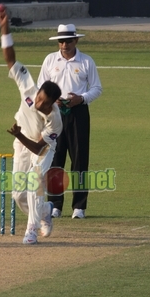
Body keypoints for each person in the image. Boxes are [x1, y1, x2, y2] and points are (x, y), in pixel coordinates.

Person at [0, 8, 63, 244]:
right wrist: (5, 29)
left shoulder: (55, 120)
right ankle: (46, 211)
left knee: (35, 183)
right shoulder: (29, 88)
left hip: (42, 148)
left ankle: (31, 230)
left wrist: (19, 134)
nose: (38, 104)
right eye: (38, 99)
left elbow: (38, 148)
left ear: (53, 103)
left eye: (44, 103)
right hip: (22, 141)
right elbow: (10, 59)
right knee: (18, 195)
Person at [37, 24, 103, 219]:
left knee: (80, 160)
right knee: (55, 160)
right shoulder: (50, 60)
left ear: (76, 40)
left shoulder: (86, 61)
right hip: (55, 114)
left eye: (68, 40)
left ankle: (79, 207)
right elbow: (41, 87)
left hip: (79, 113)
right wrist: (50, 100)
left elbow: (97, 88)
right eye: (61, 41)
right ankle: (55, 205)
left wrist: (80, 98)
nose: (64, 44)